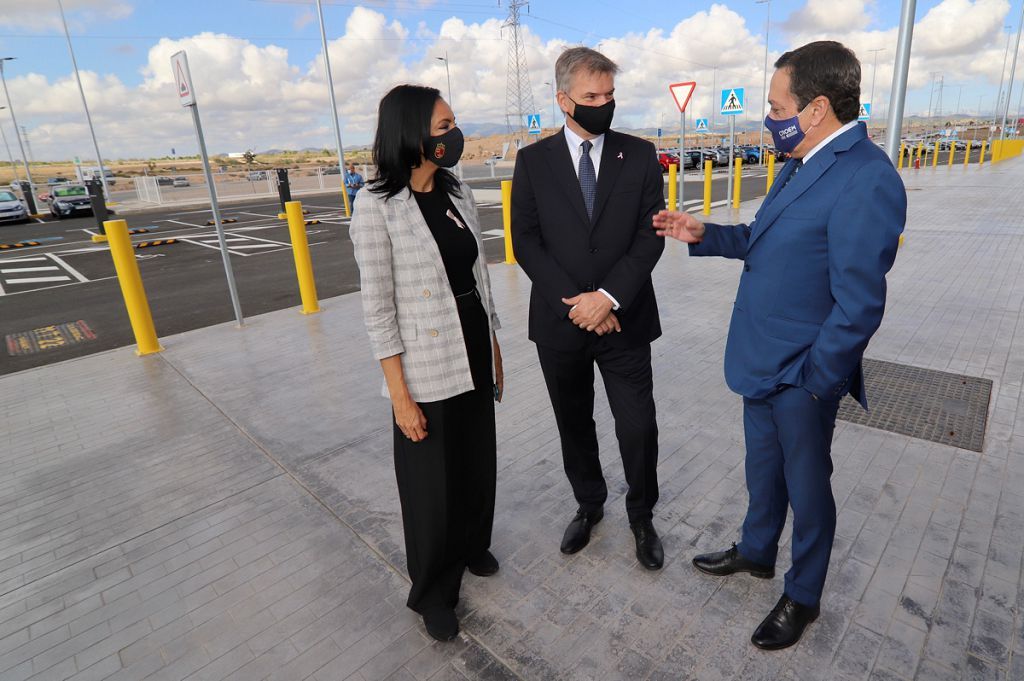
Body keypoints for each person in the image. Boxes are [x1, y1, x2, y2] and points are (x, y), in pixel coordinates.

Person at [654, 40, 907, 649]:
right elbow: (768, 240)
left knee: (808, 483)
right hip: (760, 359)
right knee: (762, 469)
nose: (768, 116)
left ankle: (803, 594)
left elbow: (859, 305)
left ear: (816, 108)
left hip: (803, 373)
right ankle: (758, 551)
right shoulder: (800, 161)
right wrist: (705, 233)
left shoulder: (867, 178)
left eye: (775, 104)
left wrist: (818, 379)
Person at [350, 84, 504, 642]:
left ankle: (469, 547)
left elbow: (477, 278)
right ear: (412, 134)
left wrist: (494, 348)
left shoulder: (456, 190)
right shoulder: (376, 205)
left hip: (471, 342)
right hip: (424, 361)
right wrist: (399, 395)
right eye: (443, 128)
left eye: (452, 125)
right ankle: (433, 589)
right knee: (431, 484)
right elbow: (378, 308)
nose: (454, 136)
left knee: (475, 461)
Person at [511, 47, 666, 570]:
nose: (604, 105)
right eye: (591, 97)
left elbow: (650, 238)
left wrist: (607, 298)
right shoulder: (532, 161)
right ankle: (589, 503)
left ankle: (642, 514)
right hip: (562, 326)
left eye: (610, 96)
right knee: (574, 424)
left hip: (624, 320)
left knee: (638, 425)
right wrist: (577, 305)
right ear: (563, 100)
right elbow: (526, 241)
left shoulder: (640, 156)